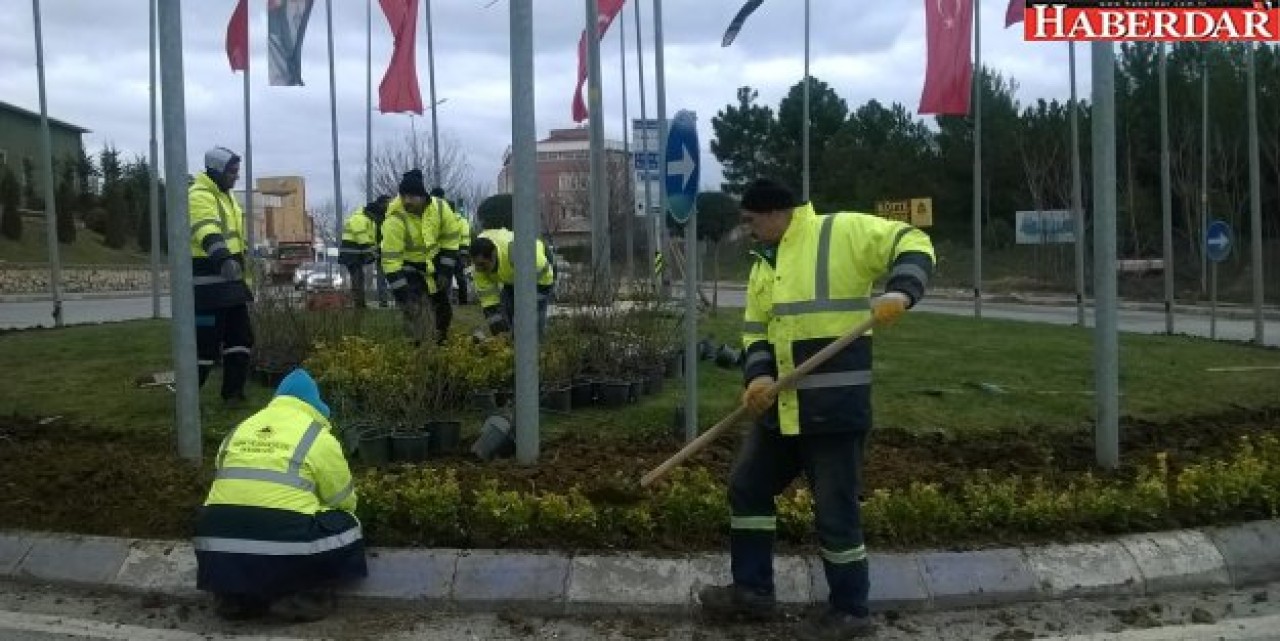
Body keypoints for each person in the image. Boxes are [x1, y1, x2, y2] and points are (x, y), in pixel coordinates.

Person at [697, 178, 935, 640]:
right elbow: (756, 330)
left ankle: (850, 610)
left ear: (774, 213)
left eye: (750, 221)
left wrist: (901, 291)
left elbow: (913, 240)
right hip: (780, 408)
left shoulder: (840, 232)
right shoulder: (764, 264)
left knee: (834, 510)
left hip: (833, 409)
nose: (747, 230)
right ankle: (752, 592)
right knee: (748, 487)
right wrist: (759, 376)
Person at [194, 368, 366, 622]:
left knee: (239, 524)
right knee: (348, 524)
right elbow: (343, 500)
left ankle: (233, 598)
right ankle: (301, 596)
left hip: (215, 542)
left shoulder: (239, 429)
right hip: (285, 547)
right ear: (314, 404)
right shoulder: (317, 436)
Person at [189, 146, 254, 406]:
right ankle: (188, 397)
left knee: (241, 339)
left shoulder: (226, 197)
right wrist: (223, 257)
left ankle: (233, 394)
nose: (236, 176)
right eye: (232, 172)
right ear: (216, 170)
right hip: (209, 284)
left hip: (231, 284)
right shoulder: (199, 195)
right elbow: (206, 229)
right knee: (205, 346)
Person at [380, 170, 435, 344]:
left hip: (428, 272)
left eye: (412, 196)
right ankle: (417, 349)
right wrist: (403, 292)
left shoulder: (433, 213)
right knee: (414, 313)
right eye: (404, 196)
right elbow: (390, 261)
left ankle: (428, 346)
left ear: (423, 197)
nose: (407, 201)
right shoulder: (395, 221)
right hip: (407, 274)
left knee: (431, 315)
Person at [470, 229, 554, 338]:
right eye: (476, 264)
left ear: (493, 255)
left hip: (541, 277)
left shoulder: (518, 254)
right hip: (513, 275)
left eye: (482, 264)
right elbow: (489, 301)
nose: (479, 269)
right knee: (508, 310)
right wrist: (498, 328)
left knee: (530, 317)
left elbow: (545, 273)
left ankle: (535, 347)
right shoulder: (479, 268)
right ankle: (512, 343)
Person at [422, 186, 465, 342]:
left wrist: (445, 270)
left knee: (438, 298)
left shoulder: (440, 209)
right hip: (437, 260)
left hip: (437, 260)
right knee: (437, 299)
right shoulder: (444, 209)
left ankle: (439, 335)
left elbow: (450, 239)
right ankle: (436, 335)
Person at [338, 196, 388, 309]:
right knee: (357, 278)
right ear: (371, 213)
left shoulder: (367, 220)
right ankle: (359, 304)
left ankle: (360, 303)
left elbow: (369, 239)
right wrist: (372, 253)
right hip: (351, 254)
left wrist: (374, 250)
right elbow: (363, 238)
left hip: (355, 254)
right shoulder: (359, 219)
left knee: (359, 278)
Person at [454, 204, 472, 304]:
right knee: (460, 276)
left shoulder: (447, 220)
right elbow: (466, 237)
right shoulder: (463, 221)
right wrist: (464, 254)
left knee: (446, 277)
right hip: (461, 251)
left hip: (449, 251)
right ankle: (463, 300)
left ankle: (445, 300)